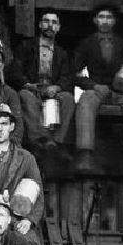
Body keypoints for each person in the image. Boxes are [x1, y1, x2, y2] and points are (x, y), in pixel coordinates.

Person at [73, 4, 123, 177]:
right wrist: (93, 85)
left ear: (114, 21)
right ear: (95, 20)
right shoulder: (87, 44)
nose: (105, 21)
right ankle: (85, 155)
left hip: (120, 92)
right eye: (101, 17)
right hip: (97, 90)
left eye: (109, 17)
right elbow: (75, 73)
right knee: (85, 100)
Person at [7, 9, 75, 154]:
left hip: (51, 90)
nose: (50, 25)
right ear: (39, 24)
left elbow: (67, 76)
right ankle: (39, 140)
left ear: (58, 27)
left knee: (68, 99)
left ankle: (56, 141)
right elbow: (15, 71)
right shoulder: (26, 46)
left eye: (54, 22)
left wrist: (57, 87)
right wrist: (27, 84)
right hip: (31, 88)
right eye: (46, 21)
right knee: (25, 96)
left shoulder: (62, 52)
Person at [0, 104, 43, 239]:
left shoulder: (26, 158)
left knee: (28, 242)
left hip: (14, 218)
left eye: (4, 124)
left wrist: (29, 220)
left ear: (11, 127)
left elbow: (38, 192)